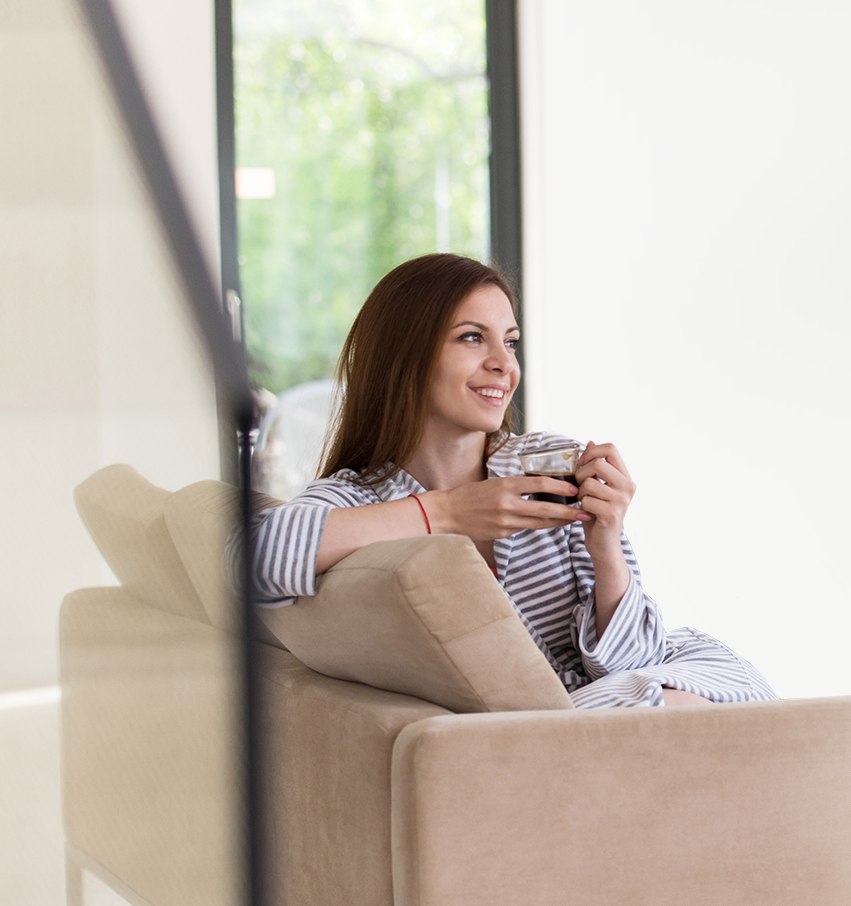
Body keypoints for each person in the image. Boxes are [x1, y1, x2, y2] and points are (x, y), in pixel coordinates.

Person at [250, 253, 777, 709]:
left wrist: (607, 548)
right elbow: (249, 556)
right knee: (673, 716)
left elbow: (636, 659)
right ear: (404, 356)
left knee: (716, 706)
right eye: (472, 338)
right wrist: (448, 512)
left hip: (629, 689)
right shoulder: (357, 499)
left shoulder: (545, 463)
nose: (504, 364)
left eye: (511, 341)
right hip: (546, 725)